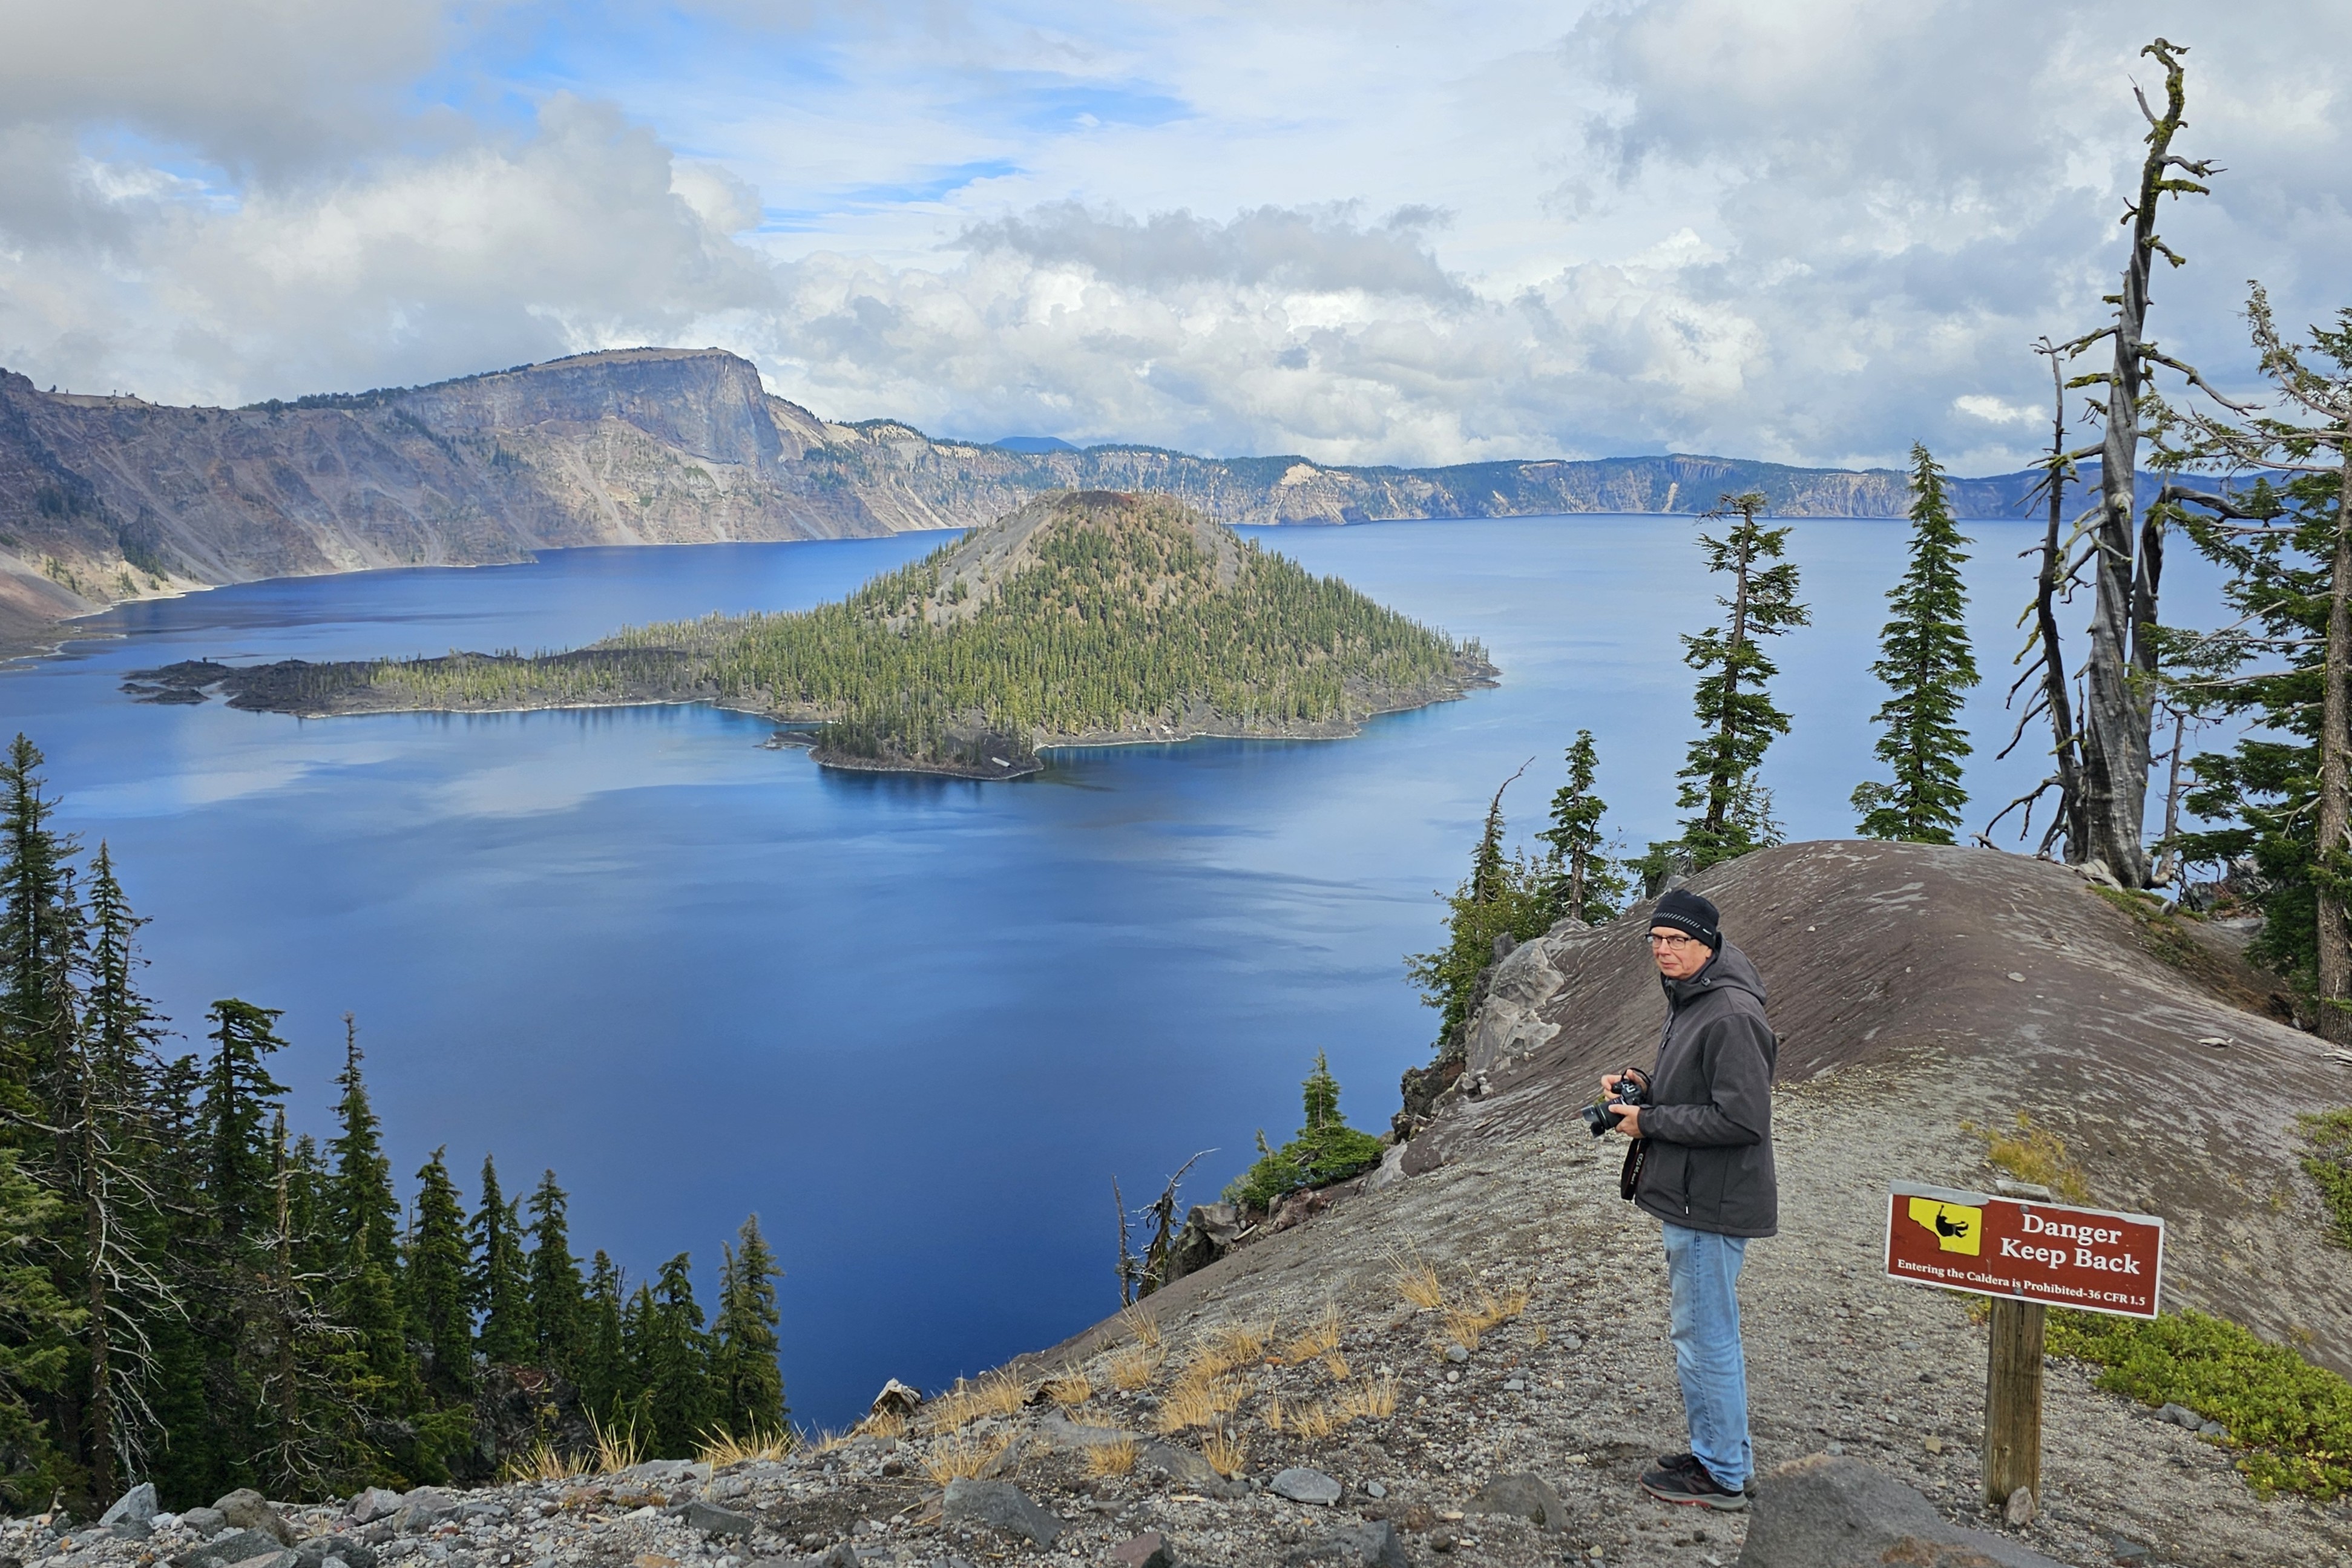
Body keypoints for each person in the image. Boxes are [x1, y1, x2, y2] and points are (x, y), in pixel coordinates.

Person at [1601, 887, 1777, 1512]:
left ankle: (1723, 1473)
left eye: (1677, 941)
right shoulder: (1694, 995)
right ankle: (1717, 1450)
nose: (1665, 951)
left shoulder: (1729, 1012)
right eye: (1656, 940)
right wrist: (1645, 1086)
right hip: (1694, 1195)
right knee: (1705, 1330)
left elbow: (1742, 1119)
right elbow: (1699, 1088)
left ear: (1706, 943)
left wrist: (1648, 1123)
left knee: (1704, 1336)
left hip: (1711, 1200)